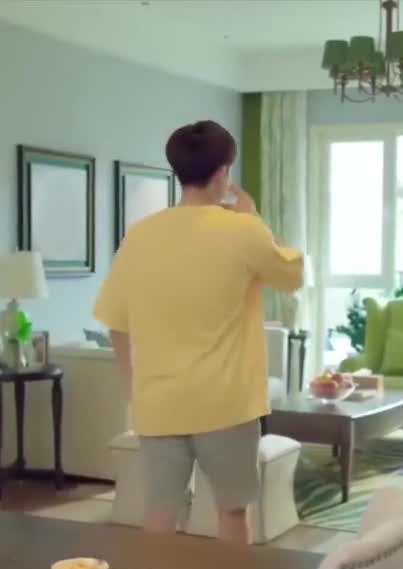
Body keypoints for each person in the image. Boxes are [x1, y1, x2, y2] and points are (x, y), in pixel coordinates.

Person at [93, 120, 303, 544]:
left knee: (159, 513)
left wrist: (133, 388)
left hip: (159, 402)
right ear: (223, 172)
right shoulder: (243, 229)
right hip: (225, 402)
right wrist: (253, 216)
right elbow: (292, 276)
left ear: (178, 171)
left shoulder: (141, 235)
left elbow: (116, 320)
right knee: (232, 512)